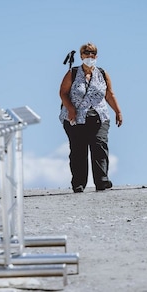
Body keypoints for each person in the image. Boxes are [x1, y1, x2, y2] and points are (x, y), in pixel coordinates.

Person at [59, 42, 123, 193]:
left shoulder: (102, 73)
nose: (89, 57)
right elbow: (62, 92)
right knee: (78, 149)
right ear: (81, 56)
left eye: (92, 54)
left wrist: (118, 112)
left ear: (96, 56)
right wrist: (70, 109)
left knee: (99, 145)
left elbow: (109, 94)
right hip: (76, 117)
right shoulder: (73, 73)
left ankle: (102, 180)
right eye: (86, 54)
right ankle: (79, 183)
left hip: (99, 116)